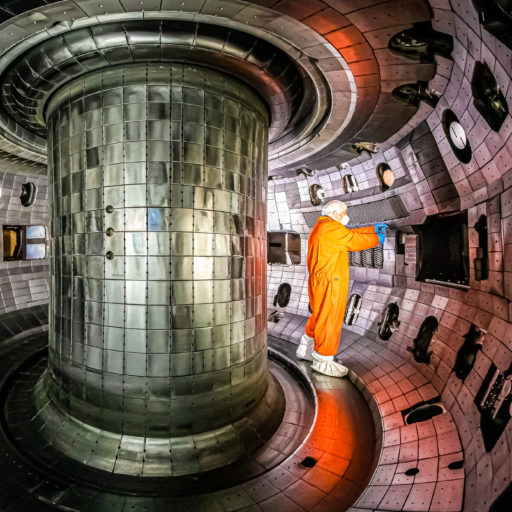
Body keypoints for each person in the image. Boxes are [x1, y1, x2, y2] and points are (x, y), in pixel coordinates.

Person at [296, 200, 388, 377]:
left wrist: (372, 229)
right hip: (331, 281)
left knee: (319, 316)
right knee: (330, 319)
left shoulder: (321, 227)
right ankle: (324, 360)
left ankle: (306, 349)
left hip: (319, 280)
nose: (346, 215)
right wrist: (377, 239)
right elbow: (353, 241)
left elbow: (349, 233)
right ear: (337, 213)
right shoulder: (331, 228)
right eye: (344, 212)